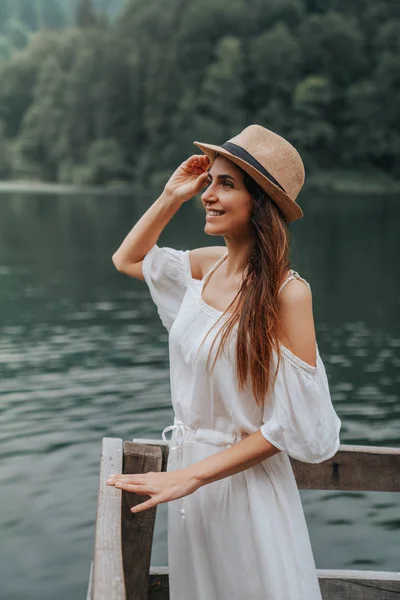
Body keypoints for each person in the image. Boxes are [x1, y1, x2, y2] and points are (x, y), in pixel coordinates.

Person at [107, 124, 341, 600]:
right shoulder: (207, 264)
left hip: (242, 491)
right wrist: (172, 194)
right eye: (209, 181)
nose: (207, 195)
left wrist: (189, 475)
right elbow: (128, 259)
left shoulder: (288, 294)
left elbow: (290, 424)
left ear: (260, 202)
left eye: (226, 184)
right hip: (190, 489)